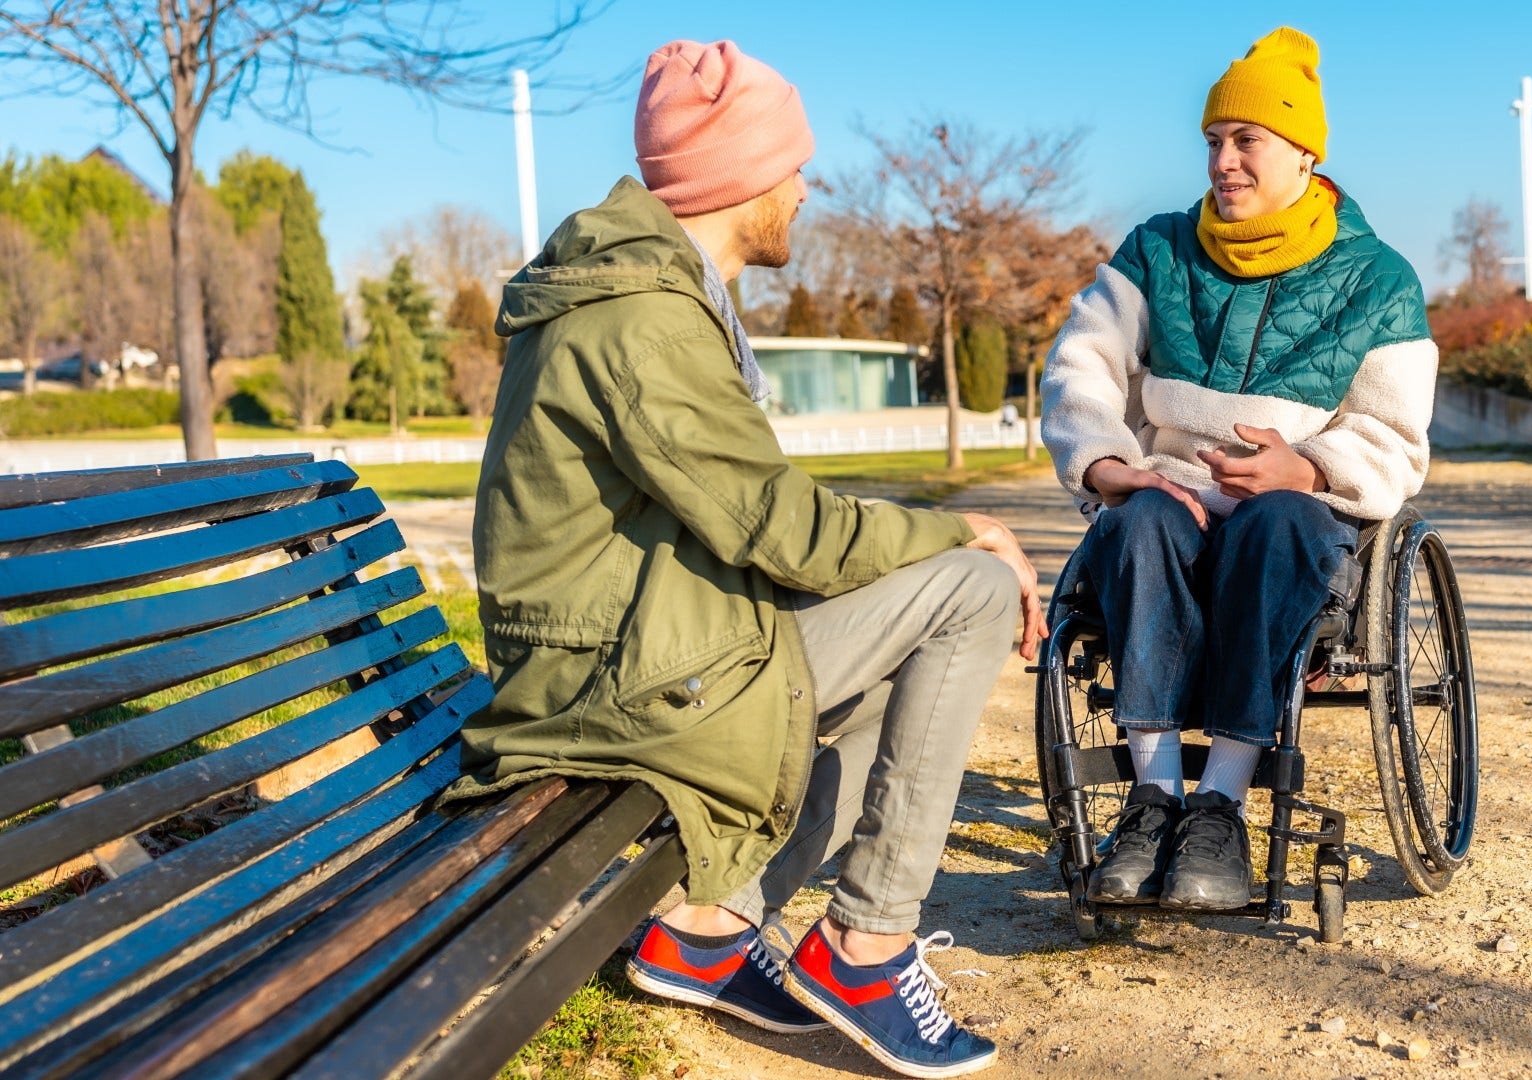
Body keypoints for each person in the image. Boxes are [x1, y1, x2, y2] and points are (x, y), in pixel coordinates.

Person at [443, 39, 1045, 1078]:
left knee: (895, 639)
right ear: (737, 179)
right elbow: (781, 530)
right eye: (791, 168)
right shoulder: (643, 321)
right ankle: (867, 947)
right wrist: (960, 529)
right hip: (612, 684)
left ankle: (709, 926)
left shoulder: (657, 296)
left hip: (632, 643)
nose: (805, 190)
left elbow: (755, 516)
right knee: (972, 590)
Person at [1039, 26, 1438, 912]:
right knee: (1141, 518)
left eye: (1246, 140)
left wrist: (1307, 466)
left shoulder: (1378, 280)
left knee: (1279, 523)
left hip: (1294, 516)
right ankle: (1154, 801)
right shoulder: (1156, 251)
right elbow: (1081, 366)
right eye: (1215, 142)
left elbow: (1394, 434)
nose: (1224, 160)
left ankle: (1219, 803)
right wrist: (1108, 464)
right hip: (1171, 502)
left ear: (1302, 152)